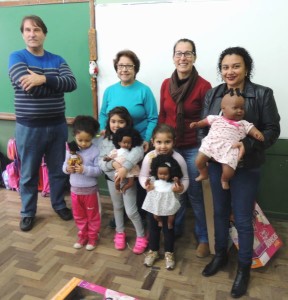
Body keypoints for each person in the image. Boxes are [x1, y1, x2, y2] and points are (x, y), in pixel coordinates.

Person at [200, 46, 280, 298]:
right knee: (221, 213)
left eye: (236, 66)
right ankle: (221, 255)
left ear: (246, 68)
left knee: (244, 219)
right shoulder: (213, 94)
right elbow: (205, 128)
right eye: (225, 67)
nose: (230, 71)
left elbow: (271, 130)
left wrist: (245, 146)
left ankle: (244, 267)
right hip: (216, 165)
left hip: (246, 167)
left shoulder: (263, 94)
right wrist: (211, 150)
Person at [8, 15, 77, 231]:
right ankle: (28, 212)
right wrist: (53, 83)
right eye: (27, 30)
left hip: (57, 125)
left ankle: (58, 204)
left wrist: (43, 78)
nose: (32, 34)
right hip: (29, 127)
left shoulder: (57, 59)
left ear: (44, 34)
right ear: (22, 34)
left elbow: (72, 83)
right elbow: (30, 87)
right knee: (28, 173)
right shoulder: (16, 57)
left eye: (36, 30)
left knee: (57, 170)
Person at [158, 38, 212, 257]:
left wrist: (202, 151)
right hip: (171, 148)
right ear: (173, 57)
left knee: (196, 195)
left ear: (194, 57)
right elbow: (163, 116)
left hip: (193, 148)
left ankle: (204, 237)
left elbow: (207, 121)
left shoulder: (204, 86)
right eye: (179, 53)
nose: (183, 58)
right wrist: (160, 145)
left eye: (188, 53)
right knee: (174, 191)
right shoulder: (165, 84)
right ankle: (175, 228)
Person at [99, 49, 158, 224]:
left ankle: (138, 214)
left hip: (138, 144)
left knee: (135, 178)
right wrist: (104, 129)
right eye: (121, 66)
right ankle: (121, 213)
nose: (124, 69)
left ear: (135, 68)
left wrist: (147, 139)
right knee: (117, 174)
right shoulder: (110, 91)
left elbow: (153, 117)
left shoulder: (144, 91)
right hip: (114, 146)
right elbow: (103, 114)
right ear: (116, 68)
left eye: (128, 66)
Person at [190, 88, 264, 189]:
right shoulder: (215, 118)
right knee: (198, 160)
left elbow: (252, 129)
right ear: (223, 109)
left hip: (229, 149)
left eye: (242, 108)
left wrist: (257, 133)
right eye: (235, 108)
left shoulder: (243, 123)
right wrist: (197, 124)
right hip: (211, 144)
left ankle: (224, 179)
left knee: (229, 170)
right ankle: (203, 173)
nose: (240, 111)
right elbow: (204, 122)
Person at [98, 106, 148, 254]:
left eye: (121, 122)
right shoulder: (105, 139)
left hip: (128, 181)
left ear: (127, 123)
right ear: (108, 122)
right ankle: (120, 233)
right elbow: (101, 162)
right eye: (113, 121)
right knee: (117, 208)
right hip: (111, 180)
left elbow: (138, 152)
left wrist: (124, 168)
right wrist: (112, 164)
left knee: (131, 211)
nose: (116, 125)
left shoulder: (132, 137)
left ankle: (142, 236)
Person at [139, 124, 189, 270]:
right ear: (153, 141)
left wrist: (181, 188)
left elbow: (185, 178)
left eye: (167, 142)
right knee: (153, 227)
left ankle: (169, 252)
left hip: (170, 201)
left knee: (168, 228)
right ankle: (153, 251)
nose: (163, 146)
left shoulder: (178, 158)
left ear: (174, 141)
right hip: (153, 201)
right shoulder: (149, 157)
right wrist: (145, 185)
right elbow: (143, 176)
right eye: (159, 142)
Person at [63, 116, 102, 251]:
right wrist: (67, 169)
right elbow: (64, 165)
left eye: (87, 140)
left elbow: (99, 171)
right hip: (75, 190)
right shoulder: (70, 148)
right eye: (80, 140)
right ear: (74, 135)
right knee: (79, 215)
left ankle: (92, 237)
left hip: (90, 191)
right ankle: (82, 235)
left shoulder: (95, 151)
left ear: (92, 137)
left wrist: (84, 169)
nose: (83, 143)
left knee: (92, 215)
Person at [142, 154, 183, 229]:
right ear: (156, 173)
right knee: (156, 215)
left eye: (165, 174)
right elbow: (147, 186)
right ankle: (159, 221)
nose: (163, 176)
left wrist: (178, 181)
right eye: (160, 174)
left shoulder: (171, 183)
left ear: (170, 173)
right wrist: (147, 182)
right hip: (157, 202)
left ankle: (169, 223)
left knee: (171, 214)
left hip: (169, 201)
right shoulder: (155, 181)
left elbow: (178, 186)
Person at [103, 127, 143, 194]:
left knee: (130, 183)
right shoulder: (116, 151)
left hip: (131, 169)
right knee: (117, 180)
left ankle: (124, 188)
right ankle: (117, 188)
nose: (126, 144)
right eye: (124, 142)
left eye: (129, 143)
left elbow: (135, 157)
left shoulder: (131, 151)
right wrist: (107, 158)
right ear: (119, 142)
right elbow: (111, 156)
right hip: (120, 167)